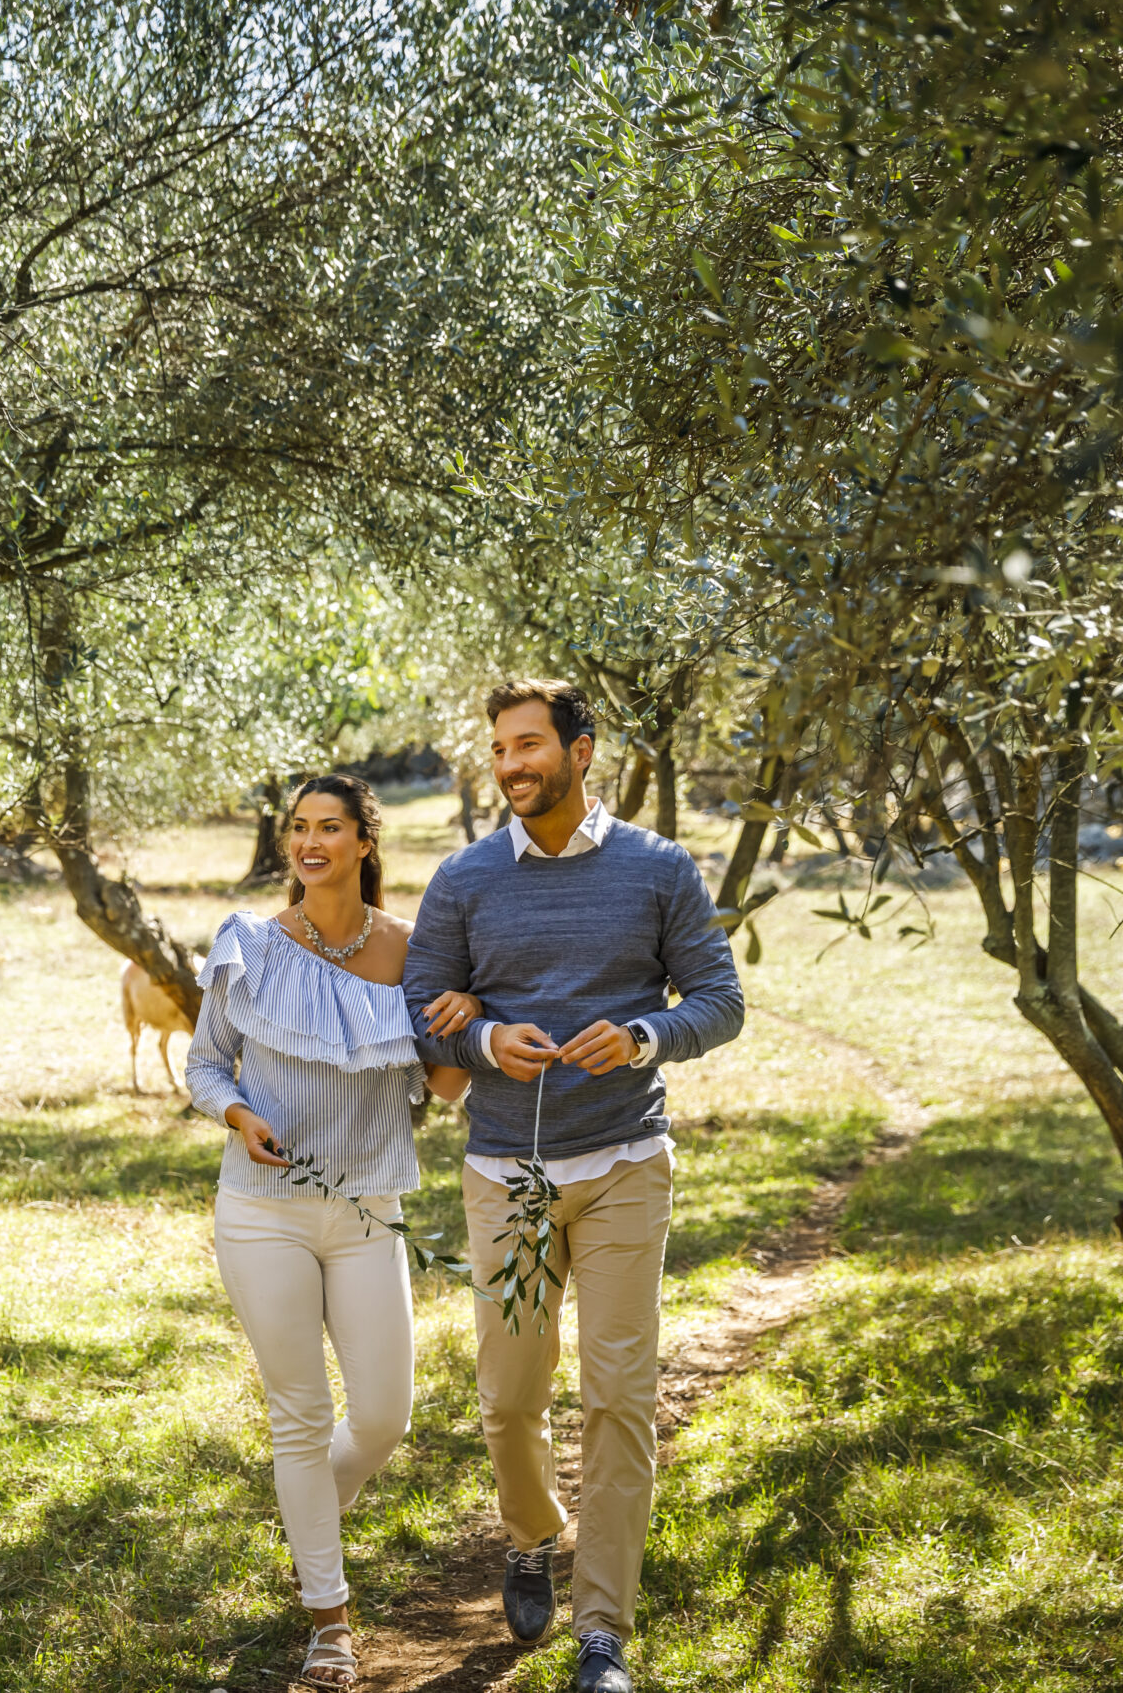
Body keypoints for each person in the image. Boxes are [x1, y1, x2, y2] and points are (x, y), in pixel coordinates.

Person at [405, 679, 745, 1693]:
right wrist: (480, 1036)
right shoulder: (464, 879)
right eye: (499, 750)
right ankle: (527, 1534)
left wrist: (645, 1035)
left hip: (625, 1165)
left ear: (581, 751)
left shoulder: (655, 869)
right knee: (509, 1397)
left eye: (528, 747)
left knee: (618, 1397)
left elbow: (720, 1000)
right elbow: (423, 1000)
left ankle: (603, 1631)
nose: (511, 766)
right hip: (508, 1175)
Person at [184, 773, 472, 1689]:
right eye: (298, 828)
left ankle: (307, 1510)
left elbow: (449, 1090)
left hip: (366, 1213)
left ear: (363, 841)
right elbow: (203, 1064)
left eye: (330, 828)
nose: (310, 842)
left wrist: (458, 1027)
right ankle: (330, 1623)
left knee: (384, 1414)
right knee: (301, 1416)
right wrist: (236, 1113)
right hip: (260, 1213)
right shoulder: (252, 948)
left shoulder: (413, 951)